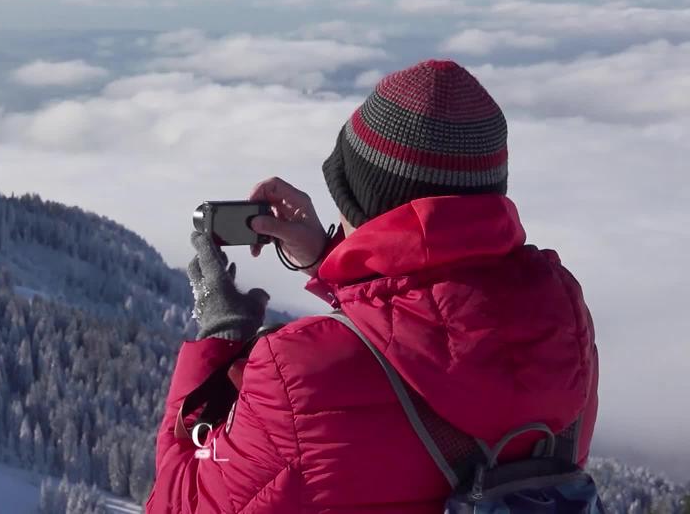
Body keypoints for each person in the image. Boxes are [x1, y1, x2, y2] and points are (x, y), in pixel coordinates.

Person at [146, 60, 599, 513]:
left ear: (362, 203)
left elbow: (176, 505)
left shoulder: (295, 375)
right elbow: (440, 330)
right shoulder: (564, 330)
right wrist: (328, 260)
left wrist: (220, 334)